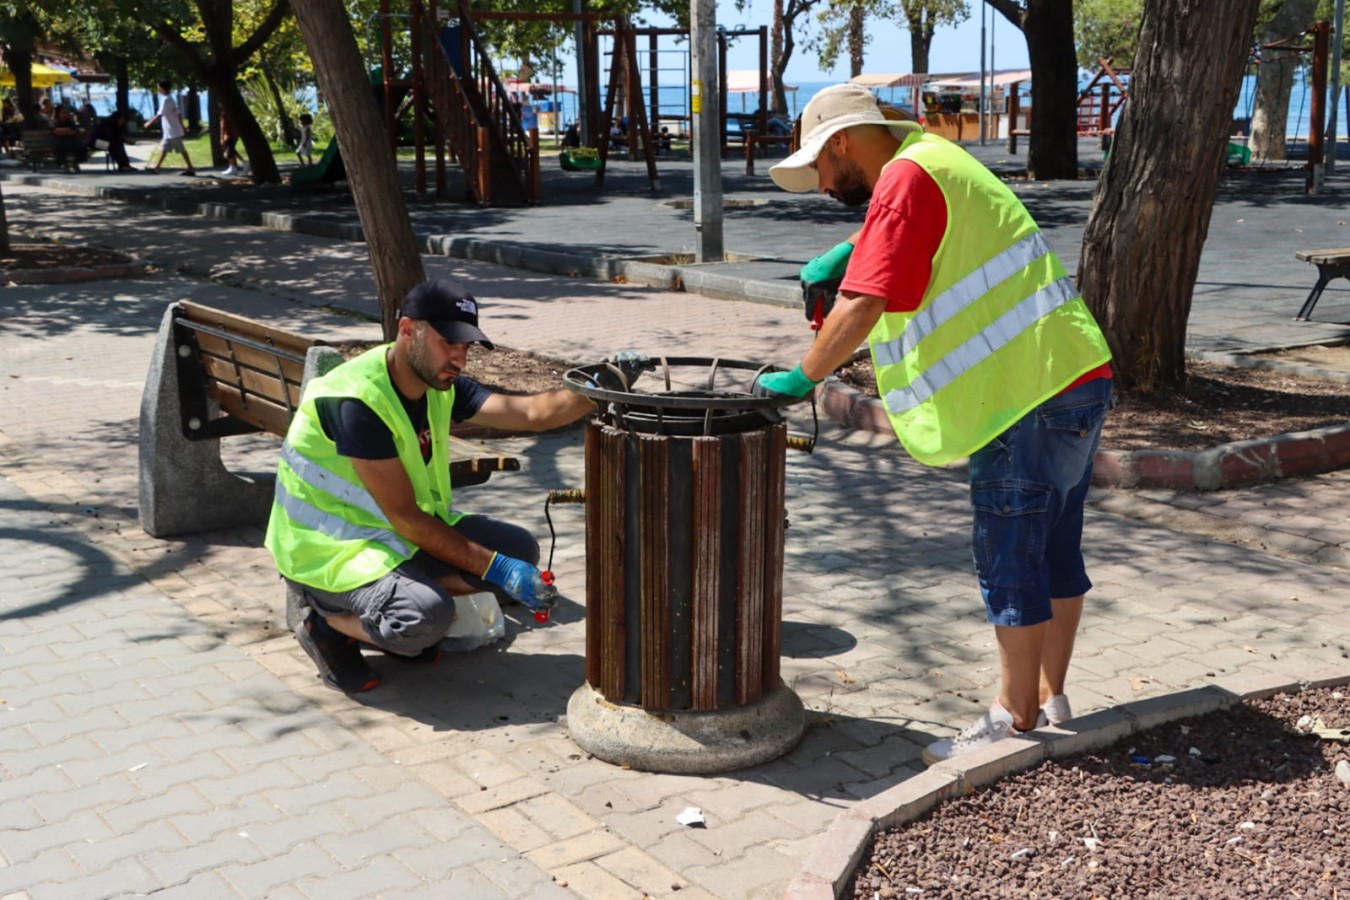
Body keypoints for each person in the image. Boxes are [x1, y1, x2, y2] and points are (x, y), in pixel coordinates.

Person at [755, 83, 1114, 764]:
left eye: (823, 169)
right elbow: (920, 245)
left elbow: (862, 305)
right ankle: (1050, 694)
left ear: (840, 142)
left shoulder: (905, 174)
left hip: (1022, 396)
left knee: (1010, 555)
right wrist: (855, 246)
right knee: (1055, 549)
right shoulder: (935, 160)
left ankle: (1014, 716)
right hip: (1075, 376)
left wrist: (803, 374)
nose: (826, 184)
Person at [265, 278, 639, 694]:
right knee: (425, 616)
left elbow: (531, 412)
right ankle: (326, 625)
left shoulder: (437, 383)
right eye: (449, 343)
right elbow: (407, 518)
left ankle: (396, 613)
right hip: (327, 550)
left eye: (466, 347)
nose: (459, 358)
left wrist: (598, 385)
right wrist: (495, 569)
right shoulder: (356, 402)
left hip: (389, 534)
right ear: (408, 330)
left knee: (520, 552)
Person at [143, 80, 195, 176]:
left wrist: (149, 123)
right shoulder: (170, 99)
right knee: (164, 149)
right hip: (170, 130)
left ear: (162, 88)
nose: (158, 89)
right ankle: (157, 167)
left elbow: (160, 114)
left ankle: (191, 168)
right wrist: (182, 126)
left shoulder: (166, 100)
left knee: (181, 150)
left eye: (158, 87)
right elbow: (178, 114)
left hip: (173, 130)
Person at [49, 105, 87, 169]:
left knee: (80, 145)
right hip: (59, 141)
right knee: (59, 146)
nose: (65, 114)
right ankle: (64, 163)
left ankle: (76, 162)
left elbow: (74, 131)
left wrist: (61, 131)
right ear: (58, 113)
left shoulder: (70, 122)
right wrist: (67, 130)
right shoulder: (54, 122)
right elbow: (55, 132)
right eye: (63, 113)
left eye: (66, 112)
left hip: (71, 140)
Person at [218, 104, 246, 176]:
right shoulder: (231, 112)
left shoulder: (225, 113)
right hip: (234, 134)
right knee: (232, 150)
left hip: (230, 134)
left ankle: (233, 167)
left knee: (229, 151)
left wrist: (222, 137)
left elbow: (223, 126)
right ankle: (243, 163)